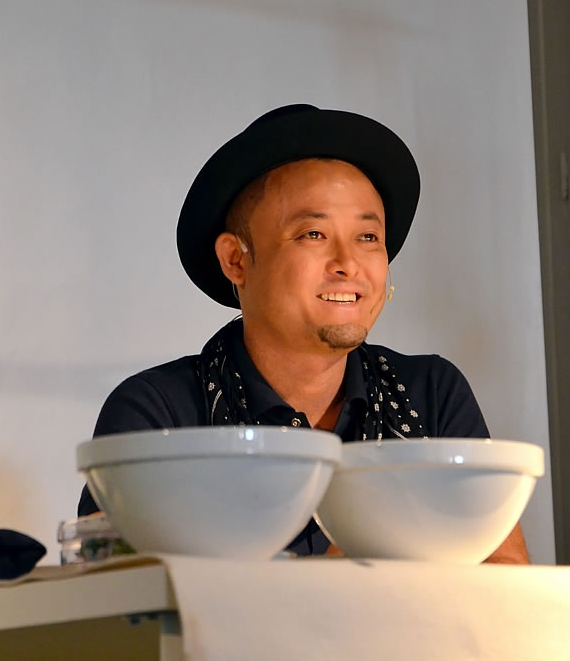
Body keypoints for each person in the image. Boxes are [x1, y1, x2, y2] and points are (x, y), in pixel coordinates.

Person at [77, 104, 529, 563]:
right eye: (313, 234)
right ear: (236, 260)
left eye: (368, 238)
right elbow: (120, 595)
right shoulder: (159, 415)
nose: (348, 264)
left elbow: (505, 580)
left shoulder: (430, 394)